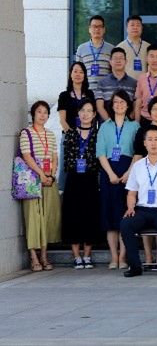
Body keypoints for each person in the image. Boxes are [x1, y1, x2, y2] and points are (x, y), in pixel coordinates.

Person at [118, 125, 157, 277]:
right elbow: (131, 193)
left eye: (156, 139)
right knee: (126, 224)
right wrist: (130, 208)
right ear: (145, 143)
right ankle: (135, 267)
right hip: (142, 210)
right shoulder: (138, 166)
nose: (153, 143)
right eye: (150, 140)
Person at [97, 91, 140, 270]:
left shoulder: (134, 126)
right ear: (111, 105)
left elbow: (138, 152)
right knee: (110, 218)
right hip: (109, 172)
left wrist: (129, 172)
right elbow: (100, 153)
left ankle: (123, 257)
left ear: (128, 105)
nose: (119, 105)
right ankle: (113, 257)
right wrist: (110, 174)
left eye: (122, 102)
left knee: (125, 216)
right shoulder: (104, 126)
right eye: (116, 102)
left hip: (128, 171)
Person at [18, 102, 61, 272]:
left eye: (45, 112)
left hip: (48, 180)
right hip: (32, 181)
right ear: (33, 114)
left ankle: (44, 255)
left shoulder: (50, 134)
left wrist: (51, 174)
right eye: (39, 112)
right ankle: (33, 257)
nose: (42, 115)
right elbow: (27, 156)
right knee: (33, 218)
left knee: (47, 218)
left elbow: (54, 156)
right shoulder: (26, 133)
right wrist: (41, 175)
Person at [62, 101, 101, 269]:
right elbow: (66, 158)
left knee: (90, 215)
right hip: (73, 179)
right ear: (78, 113)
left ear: (94, 114)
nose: (85, 114)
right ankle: (76, 256)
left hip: (90, 179)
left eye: (89, 111)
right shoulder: (70, 133)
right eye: (83, 110)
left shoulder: (98, 134)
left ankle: (87, 255)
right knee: (73, 215)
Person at [95, 47, 138, 119]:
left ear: (126, 61)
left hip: (128, 124)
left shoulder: (134, 83)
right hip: (107, 123)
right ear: (110, 62)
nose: (118, 61)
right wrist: (110, 123)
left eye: (121, 58)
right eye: (115, 58)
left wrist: (126, 122)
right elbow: (100, 107)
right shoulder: (102, 83)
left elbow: (135, 107)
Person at [76, 15, 113, 94]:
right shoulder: (81, 49)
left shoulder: (111, 49)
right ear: (89, 29)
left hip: (106, 92)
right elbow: (78, 72)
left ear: (104, 29)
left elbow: (113, 73)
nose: (97, 29)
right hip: (87, 92)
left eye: (100, 26)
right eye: (94, 26)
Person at [59, 62, 96, 132]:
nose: (78, 74)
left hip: (88, 134)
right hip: (69, 134)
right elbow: (62, 120)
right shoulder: (64, 95)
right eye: (75, 71)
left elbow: (93, 117)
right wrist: (72, 135)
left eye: (81, 72)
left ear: (84, 75)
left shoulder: (90, 94)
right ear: (71, 74)